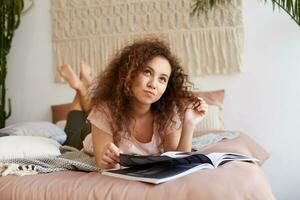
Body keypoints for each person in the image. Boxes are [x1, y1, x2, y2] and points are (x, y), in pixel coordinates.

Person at [59, 38, 208, 170]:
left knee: (89, 104)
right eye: (147, 72)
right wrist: (108, 161)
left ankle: (83, 85)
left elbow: (178, 162)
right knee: (71, 128)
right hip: (82, 136)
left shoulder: (168, 113)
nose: (153, 84)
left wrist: (189, 124)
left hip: (100, 118)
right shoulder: (104, 110)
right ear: (128, 73)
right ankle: (81, 88)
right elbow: (104, 164)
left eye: (162, 79)